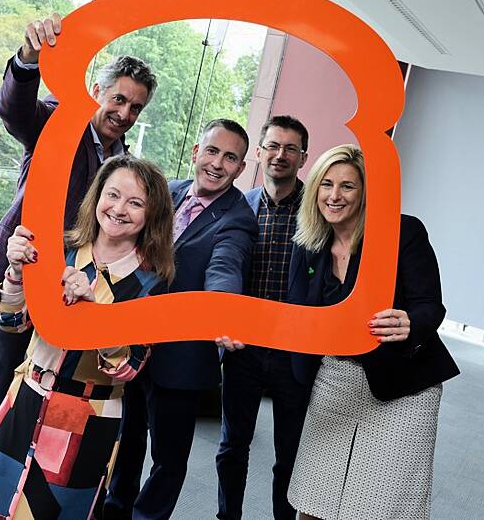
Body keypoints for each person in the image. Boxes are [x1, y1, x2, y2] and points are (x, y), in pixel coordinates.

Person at [0, 13, 158, 516]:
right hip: (21, 286)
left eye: (135, 107)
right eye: (117, 99)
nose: (124, 112)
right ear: (96, 89)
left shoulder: (124, 164)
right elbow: (13, 109)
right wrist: (29, 60)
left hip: (81, 309)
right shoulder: (56, 120)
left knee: (54, 422)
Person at [0, 156, 174, 519]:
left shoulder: (151, 284)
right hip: (24, 399)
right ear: (97, 196)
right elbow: (12, 320)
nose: (118, 209)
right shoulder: (58, 250)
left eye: (135, 203)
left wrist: (94, 309)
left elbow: (129, 367)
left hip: (88, 418)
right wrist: (17, 271)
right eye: (112, 194)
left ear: (152, 214)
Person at [283, 144, 460, 519]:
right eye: (326, 184)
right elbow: (296, 316)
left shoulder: (402, 232)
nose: (334, 196)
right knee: (313, 501)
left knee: (379, 507)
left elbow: (431, 305)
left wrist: (412, 324)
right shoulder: (308, 245)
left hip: (404, 388)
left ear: (365, 192)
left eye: (347, 186)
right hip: (334, 380)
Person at [105, 119, 258, 520]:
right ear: (195, 152)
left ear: (241, 169)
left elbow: (225, 269)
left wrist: (225, 310)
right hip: (131, 342)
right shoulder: (164, 193)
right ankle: (114, 510)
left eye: (230, 158)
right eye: (212, 151)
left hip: (182, 357)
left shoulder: (238, 218)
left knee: (168, 457)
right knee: (126, 438)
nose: (217, 163)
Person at [215, 115, 311, 520]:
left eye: (290, 148)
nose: (280, 155)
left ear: (303, 158)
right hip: (244, 351)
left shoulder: (317, 210)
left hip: (294, 351)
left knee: (289, 455)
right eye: (273, 146)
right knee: (232, 446)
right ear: (259, 153)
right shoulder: (240, 206)